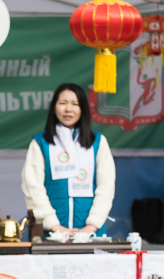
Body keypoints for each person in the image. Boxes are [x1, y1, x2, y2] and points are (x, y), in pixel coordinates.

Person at [21, 82, 116, 236]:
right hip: (51, 233)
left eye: (75, 104)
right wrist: (54, 225)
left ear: (83, 109)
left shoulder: (98, 142)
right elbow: (32, 186)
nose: (68, 109)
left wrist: (91, 226)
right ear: (54, 108)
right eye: (63, 103)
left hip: (91, 234)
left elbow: (106, 186)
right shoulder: (40, 142)